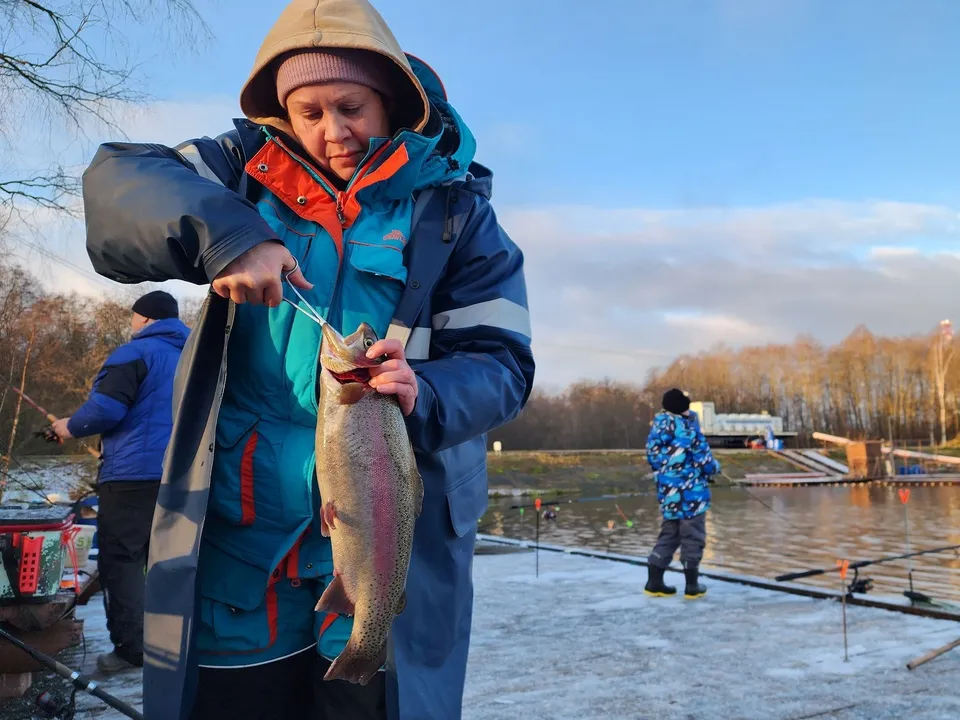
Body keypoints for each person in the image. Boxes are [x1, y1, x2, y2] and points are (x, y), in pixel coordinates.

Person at [79, 0, 535, 717]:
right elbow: (117, 187)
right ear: (282, 113)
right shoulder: (234, 170)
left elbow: (503, 364)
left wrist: (432, 390)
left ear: (390, 100)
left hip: (384, 540)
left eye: (351, 106)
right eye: (309, 113)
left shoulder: (458, 213)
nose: (334, 132)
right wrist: (224, 233)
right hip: (238, 546)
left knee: (371, 693)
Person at [51, 290, 190, 672]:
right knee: (171, 561)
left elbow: (106, 410)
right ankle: (179, 645)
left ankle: (132, 652)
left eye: (133, 317)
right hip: (185, 475)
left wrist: (69, 426)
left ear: (144, 318)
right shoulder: (195, 353)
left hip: (131, 476)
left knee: (122, 562)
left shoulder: (134, 354)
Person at [642, 388, 720, 600]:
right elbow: (705, 462)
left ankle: (654, 581)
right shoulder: (688, 430)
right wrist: (715, 468)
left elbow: (654, 459)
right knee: (693, 536)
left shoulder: (657, 429)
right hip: (692, 496)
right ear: (682, 408)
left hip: (669, 495)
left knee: (669, 534)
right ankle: (692, 585)